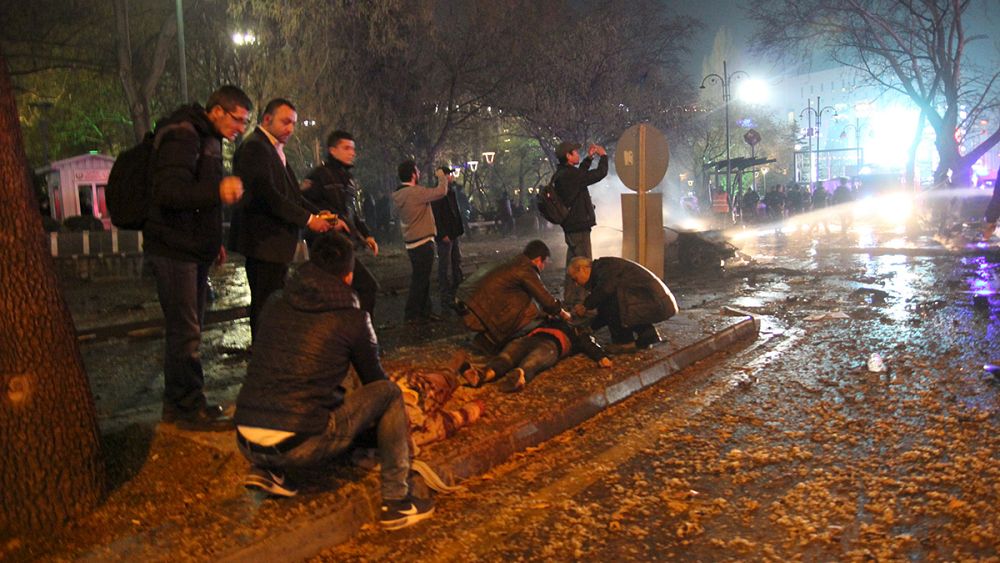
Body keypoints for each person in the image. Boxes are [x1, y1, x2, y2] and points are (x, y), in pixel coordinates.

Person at [233, 232, 433, 530]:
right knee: (389, 393)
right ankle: (397, 500)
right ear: (349, 276)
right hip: (300, 443)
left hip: (245, 439)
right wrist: (387, 436)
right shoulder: (353, 319)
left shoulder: (275, 302)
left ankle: (268, 471)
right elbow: (374, 382)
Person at [144, 85, 251, 431]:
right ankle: (189, 408)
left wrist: (213, 241)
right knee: (186, 333)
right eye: (237, 120)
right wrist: (218, 190)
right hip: (174, 249)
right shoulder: (184, 134)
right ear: (217, 110)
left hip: (192, 247)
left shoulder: (208, 138)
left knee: (188, 331)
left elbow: (200, 203)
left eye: (244, 123)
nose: (240, 129)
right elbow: (169, 192)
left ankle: (177, 405)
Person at [230, 98, 332, 341]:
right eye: (285, 122)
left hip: (274, 243)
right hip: (264, 242)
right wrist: (309, 220)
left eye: (294, 123)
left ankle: (271, 349)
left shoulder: (272, 148)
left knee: (273, 301)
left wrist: (319, 214)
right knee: (266, 303)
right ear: (267, 119)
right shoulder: (256, 147)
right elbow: (269, 196)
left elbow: (292, 195)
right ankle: (264, 352)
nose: (291, 129)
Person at [302, 130, 381, 319]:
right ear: (332, 150)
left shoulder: (348, 179)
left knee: (350, 292)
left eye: (353, 148)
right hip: (328, 246)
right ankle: (358, 331)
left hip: (344, 243)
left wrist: (366, 235)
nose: (352, 153)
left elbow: (351, 214)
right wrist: (330, 221)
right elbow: (305, 206)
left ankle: (348, 330)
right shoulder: (318, 176)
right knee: (365, 287)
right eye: (346, 148)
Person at [456, 239, 570, 353]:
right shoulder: (525, 268)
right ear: (538, 259)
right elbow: (545, 299)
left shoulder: (514, 261)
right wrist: (561, 312)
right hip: (476, 310)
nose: (543, 267)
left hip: (466, 301)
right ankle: (491, 340)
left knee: (525, 300)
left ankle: (487, 337)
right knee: (531, 311)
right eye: (544, 263)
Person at [462, 317, 612, 393]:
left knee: (530, 360)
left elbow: (588, 343)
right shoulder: (551, 321)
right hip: (534, 339)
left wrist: (601, 356)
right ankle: (484, 374)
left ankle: (518, 375)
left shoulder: (576, 331)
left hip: (550, 344)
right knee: (509, 356)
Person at [567, 256, 678, 349]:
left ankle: (624, 342)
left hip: (657, 303)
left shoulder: (605, 267)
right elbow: (603, 310)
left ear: (582, 269)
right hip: (657, 301)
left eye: (575, 279)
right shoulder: (603, 267)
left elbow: (606, 291)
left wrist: (586, 305)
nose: (576, 284)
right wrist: (590, 328)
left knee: (612, 301)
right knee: (611, 300)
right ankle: (647, 335)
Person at [553, 141, 608, 308]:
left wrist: (589, 158)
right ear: (568, 156)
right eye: (575, 152)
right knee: (583, 265)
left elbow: (581, 175)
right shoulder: (570, 175)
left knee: (572, 265)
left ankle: (570, 299)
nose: (578, 154)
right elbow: (599, 174)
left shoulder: (563, 174)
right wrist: (603, 156)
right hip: (579, 227)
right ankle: (583, 302)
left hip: (571, 226)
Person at [392, 160, 449, 323]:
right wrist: (441, 176)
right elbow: (441, 192)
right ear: (412, 174)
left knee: (422, 278)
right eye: (417, 171)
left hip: (411, 242)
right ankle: (412, 314)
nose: (419, 173)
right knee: (420, 280)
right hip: (423, 242)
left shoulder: (398, 195)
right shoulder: (415, 192)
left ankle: (425, 311)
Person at [431, 168, 465, 313]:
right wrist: (442, 233)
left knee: (456, 260)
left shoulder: (451, 191)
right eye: (448, 174)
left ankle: (457, 286)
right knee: (445, 263)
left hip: (453, 232)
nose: (451, 176)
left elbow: (455, 211)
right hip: (445, 234)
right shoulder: (437, 193)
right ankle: (444, 292)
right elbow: (436, 215)